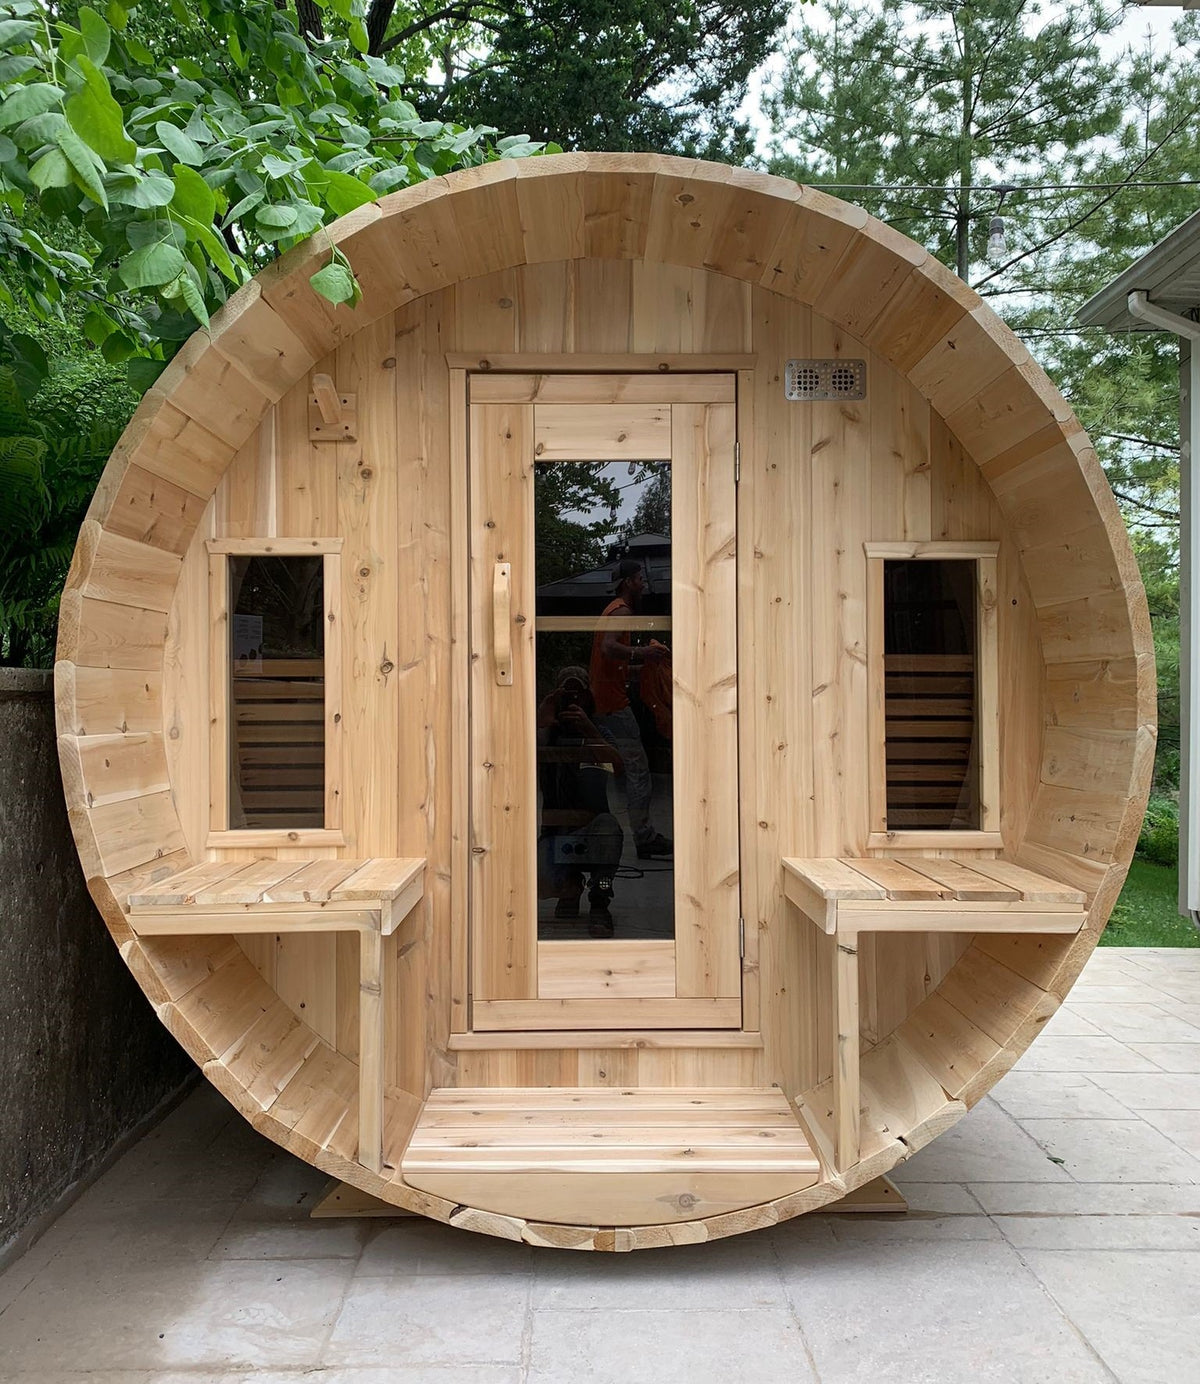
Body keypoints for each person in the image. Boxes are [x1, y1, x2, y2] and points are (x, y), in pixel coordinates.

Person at [588, 558, 673, 859]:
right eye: (639, 579)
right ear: (627, 583)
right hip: (613, 705)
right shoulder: (621, 610)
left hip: (607, 701)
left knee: (626, 768)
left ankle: (641, 833)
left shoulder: (612, 610)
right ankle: (644, 837)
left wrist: (643, 665)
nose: (644, 584)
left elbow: (612, 661)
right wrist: (643, 651)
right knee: (639, 771)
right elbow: (609, 648)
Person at [536, 666, 624, 936]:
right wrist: (544, 716)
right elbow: (518, 757)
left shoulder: (598, 731)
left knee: (609, 829)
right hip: (555, 833)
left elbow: (619, 766)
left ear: (588, 697)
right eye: (566, 695)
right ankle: (569, 889)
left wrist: (588, 728)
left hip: (593, 831)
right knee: (538, 879)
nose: (572, 701)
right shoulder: (546, 733)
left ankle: (599, 900)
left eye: (579, 694)